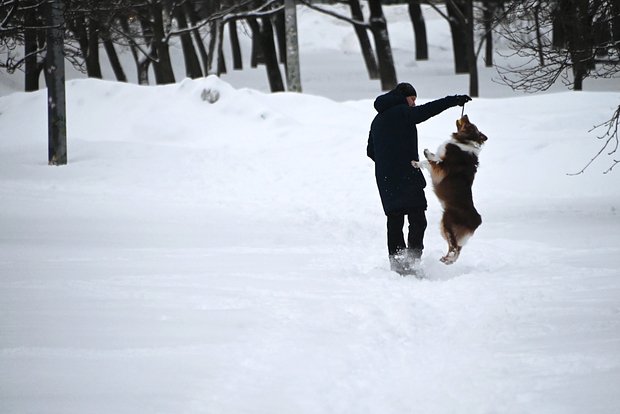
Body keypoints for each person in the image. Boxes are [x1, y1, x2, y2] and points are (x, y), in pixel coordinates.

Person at [367, 83, 471, 274]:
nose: (414, 104)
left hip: (385, 177)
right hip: (406, 174)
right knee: (417, 217)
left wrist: (388, 161)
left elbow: (370, 151)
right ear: (402, 97)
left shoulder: (377, 120)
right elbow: (428, 110)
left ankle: (397, 263)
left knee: (395, 219)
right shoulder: (402, 112)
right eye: (412, 99)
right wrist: (453, 101)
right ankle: (413, 259)